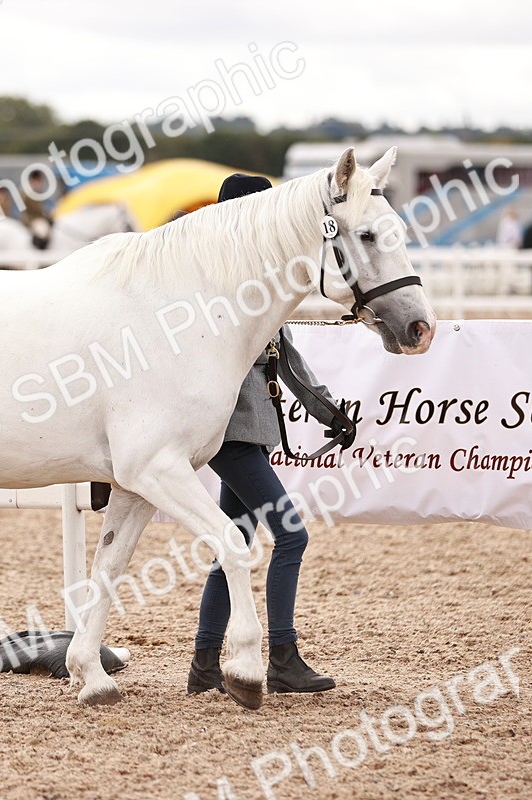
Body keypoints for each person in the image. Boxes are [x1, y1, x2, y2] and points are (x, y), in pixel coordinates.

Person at [188, 173, 354, 697]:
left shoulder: (259, 287)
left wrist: (328, 411)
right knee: (292, 535)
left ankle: (204, 665)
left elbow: (286, 360)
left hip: (251, 431)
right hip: (232, 433)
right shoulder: (220, 289)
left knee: (233, 543)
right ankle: (282, 656)